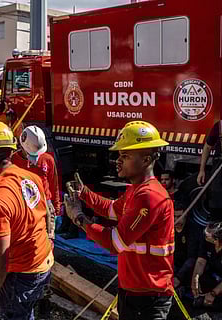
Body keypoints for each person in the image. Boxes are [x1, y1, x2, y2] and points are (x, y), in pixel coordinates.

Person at [64, 121, 174, 319]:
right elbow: (111, 209)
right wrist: (84, 193)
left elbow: (115, 243)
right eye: (119, 155)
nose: (118, 160)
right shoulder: (136, 190)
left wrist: (80, 219)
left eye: (125, 155)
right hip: (134, 292)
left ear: (146, 160)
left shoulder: (149, 197)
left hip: (147, 297)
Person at [0, 121, 53, 320]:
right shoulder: (30, 177)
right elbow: (47, 214)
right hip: (43, 262)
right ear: (11, 152)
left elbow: (0, 260)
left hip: (21, 274)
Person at [191, 222, 222, 310]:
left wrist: (213, 293)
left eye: (208, 236)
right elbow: (201, 261)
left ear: (217, 240)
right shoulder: (206, 242)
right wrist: (195, 278)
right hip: (214, 274)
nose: (205, 236)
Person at [197, 120, 222, 219]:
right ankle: (215, 225)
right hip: (219, 165)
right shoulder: (219, 126)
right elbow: (207, 147)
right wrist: (201, 170)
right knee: (216, 197)